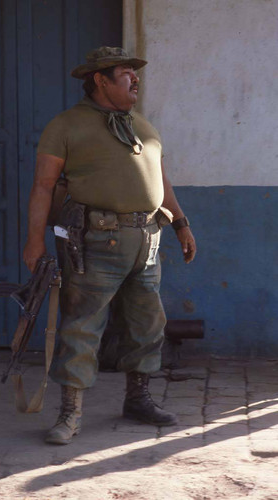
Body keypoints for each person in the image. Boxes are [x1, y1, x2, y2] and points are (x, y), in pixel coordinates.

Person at [23, 46, 196, 445]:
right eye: (125, 73)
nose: (135, 79)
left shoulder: (143, 125)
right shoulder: (66, 126)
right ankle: (70, 413)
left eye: (135, 74)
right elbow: (44, 186)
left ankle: (138, 399)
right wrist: (34, 240)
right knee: (82, 327)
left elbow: (161, 182)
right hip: (96, 242)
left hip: (147, 242)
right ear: (99, 80)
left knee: (147, 324)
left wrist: (182, 224)